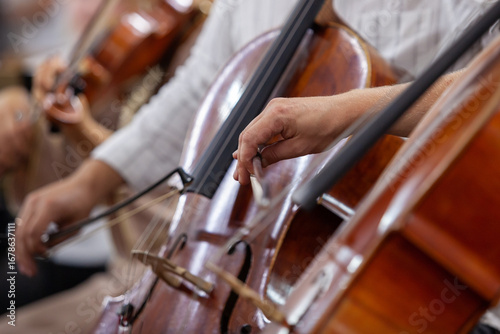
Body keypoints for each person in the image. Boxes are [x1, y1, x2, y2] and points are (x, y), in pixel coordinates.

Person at [12, 0, 500, 332]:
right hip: (244, 259)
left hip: (391, 273)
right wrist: (90, 179)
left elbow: (491, 91)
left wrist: (348, 111)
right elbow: (203, 83)